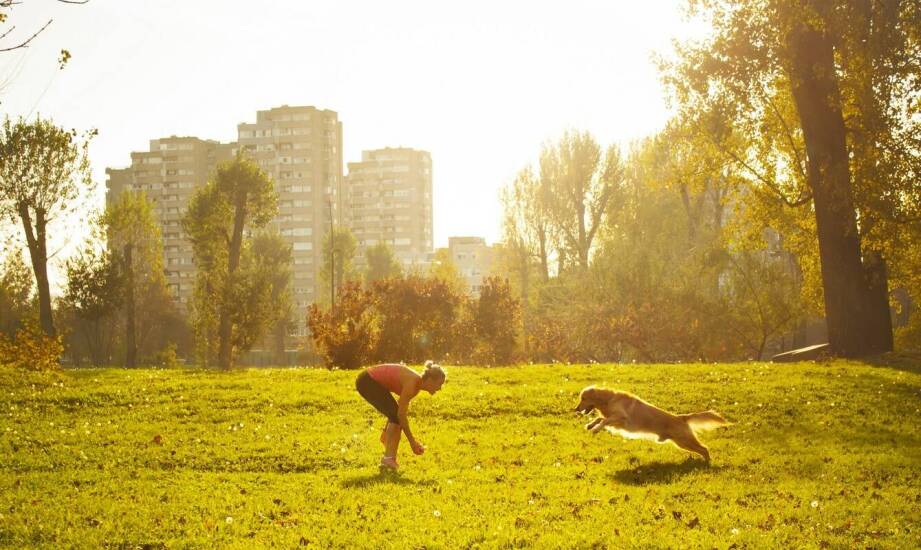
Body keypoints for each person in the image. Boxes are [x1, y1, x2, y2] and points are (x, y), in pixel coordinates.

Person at [355, 360, 446, 470]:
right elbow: (400, 416)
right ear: (430, 380)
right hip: (368, 380)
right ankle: (388, 459)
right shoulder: (412, 384)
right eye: (439, 384)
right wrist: (412, 443)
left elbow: (397, 410)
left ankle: (388, 454)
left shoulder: (416, 385)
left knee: (395, 417)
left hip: (368, 379)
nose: (440, 388)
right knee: (397, 419)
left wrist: (386, 430)